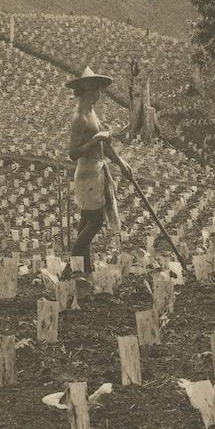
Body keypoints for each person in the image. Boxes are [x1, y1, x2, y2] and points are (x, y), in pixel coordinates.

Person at [65, 66, 126, 275]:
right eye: (96, 89)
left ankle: (85, 269)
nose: (100, 93)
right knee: (96, 221)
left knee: (85, 223)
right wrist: (96, 139)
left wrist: (121, 163)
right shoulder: (80, 118)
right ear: (87, 90)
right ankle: (69, 267)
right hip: (87, 175)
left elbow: (104, 147)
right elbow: (73, 153)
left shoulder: (92, 113)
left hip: (96, 173)